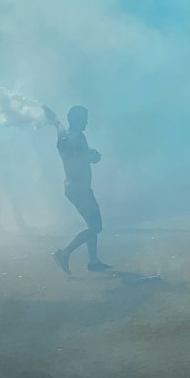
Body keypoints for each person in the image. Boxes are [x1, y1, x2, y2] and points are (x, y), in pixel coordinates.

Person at [43, 105, 111, 275]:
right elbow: (79, 160)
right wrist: (93, 157)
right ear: (77, 120)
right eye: (84, 119)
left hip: (76, 188)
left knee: (92, 225)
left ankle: (93, 262)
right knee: (96, 227)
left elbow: (59, 127)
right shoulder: (77, 137)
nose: (87, 122)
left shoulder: (65, 135)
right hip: (80, 189)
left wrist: (53, 118)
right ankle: (64, 253)